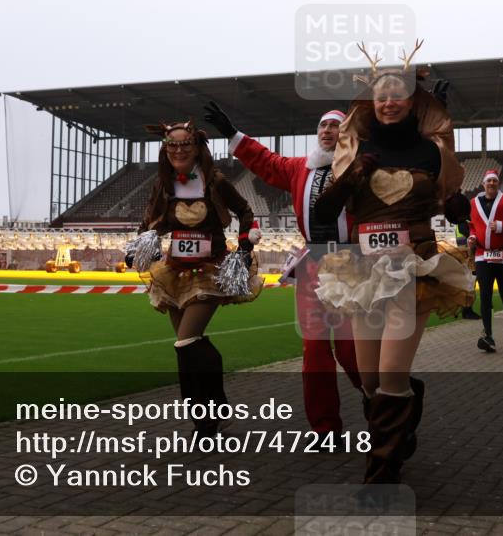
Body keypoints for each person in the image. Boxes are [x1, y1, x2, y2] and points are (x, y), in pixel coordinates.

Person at [312, 40, 473, 484]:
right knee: (369, 379)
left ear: (412, 100)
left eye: (397, 94)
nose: (388, 102)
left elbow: (450, 201)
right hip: (365, 273)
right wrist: (351, 177)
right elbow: (325, 214)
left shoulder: (430, 152)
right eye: (381, 95)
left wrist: (461, 208)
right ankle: (400, 421)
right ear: (370, 100)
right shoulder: (355, 149)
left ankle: (382, 474)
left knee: (390, 372)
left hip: (414, 268)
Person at [202, 101, 363, 435]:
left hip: (352, 265)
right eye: (322, 126)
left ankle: (377, 398)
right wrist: (232, 133)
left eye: (335, 126)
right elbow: (264, 161)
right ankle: (325, 429)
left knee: (351, 351)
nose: (327, 131)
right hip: (313, 266)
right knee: (314, 351)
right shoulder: (298, 168)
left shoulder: (361, 168)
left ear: (347, 135)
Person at [136, 119, 263, 436]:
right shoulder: (164, 184)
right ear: (166, 149)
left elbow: (245, 210)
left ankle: (214, 411)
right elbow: (150, 220)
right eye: (172, 145)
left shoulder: (215, 180)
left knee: (187, 340)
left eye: (185, 144)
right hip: (174, 271)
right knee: (187, 346)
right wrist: (140, 245)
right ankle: (206, 419)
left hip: (211, 269)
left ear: (197, 147)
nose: (178, 150)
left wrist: (246, 245)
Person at [467, 169, 503, 351]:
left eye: (494, 181)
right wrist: (472, 237)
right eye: (488, 181)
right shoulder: (473, 203)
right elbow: (471, 225)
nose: (491, 183)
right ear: (483, 184)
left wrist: (502, 226)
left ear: (498, 183)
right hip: (482, 255)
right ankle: (488, 335)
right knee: (485, 293)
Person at [454, 217, 480, 320]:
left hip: (466, 254)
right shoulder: (464, 219)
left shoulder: (461, 218)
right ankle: (467, 310)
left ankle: (466, 309)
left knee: (470, 282)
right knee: (470, 281)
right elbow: (468, 236)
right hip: (469, 254)